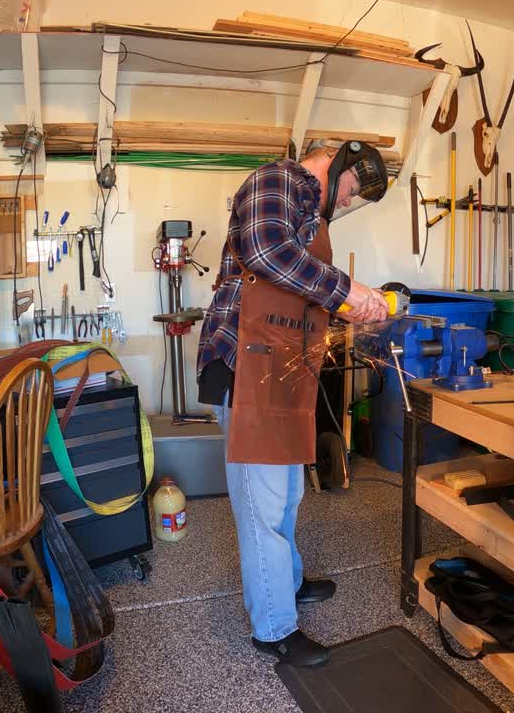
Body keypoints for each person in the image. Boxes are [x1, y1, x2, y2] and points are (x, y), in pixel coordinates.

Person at [196, 141, 391, 667]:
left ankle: (289, 580)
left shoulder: (305, 211)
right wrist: (348, 291)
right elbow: (265, 253)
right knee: (261, 505)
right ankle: (275, 628)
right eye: (350, 191)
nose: (346, 204)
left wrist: (346, 309)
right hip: (243, 364)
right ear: (337, 164)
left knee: (284, 494)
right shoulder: (279, 179)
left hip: (276, 367)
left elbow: (296, 281)